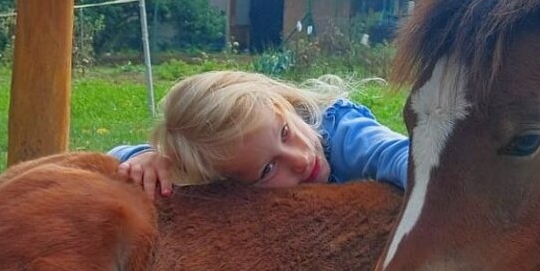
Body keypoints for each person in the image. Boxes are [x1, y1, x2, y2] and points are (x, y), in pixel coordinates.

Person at [109, 70, 407, 197]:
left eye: (285, 133)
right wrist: (146, 157)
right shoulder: (219, 166)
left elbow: (395, 154)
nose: (300, 159)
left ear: (283, 105)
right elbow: (113, 156)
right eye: (268, 169)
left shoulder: (341, 130)